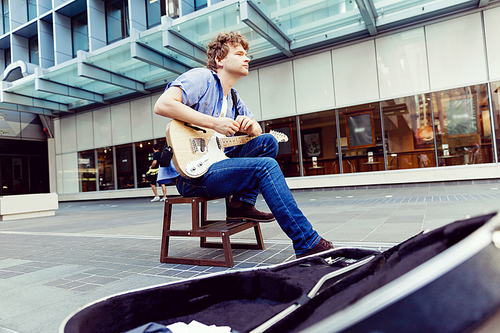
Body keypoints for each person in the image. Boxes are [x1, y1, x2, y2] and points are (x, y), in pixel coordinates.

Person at [154, 31, 333, 258]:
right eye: (239, 54)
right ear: (220, 60)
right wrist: (214, 123)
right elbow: (163, 105)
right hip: (191, 176)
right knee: (266, 167)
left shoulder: (234, 97)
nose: (246, 58)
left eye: (246, 54)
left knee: (267, 141)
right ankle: (306, 242)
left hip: (216, 164)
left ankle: (241, 205)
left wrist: (251, 127)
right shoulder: (201, 78)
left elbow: (258, 132)